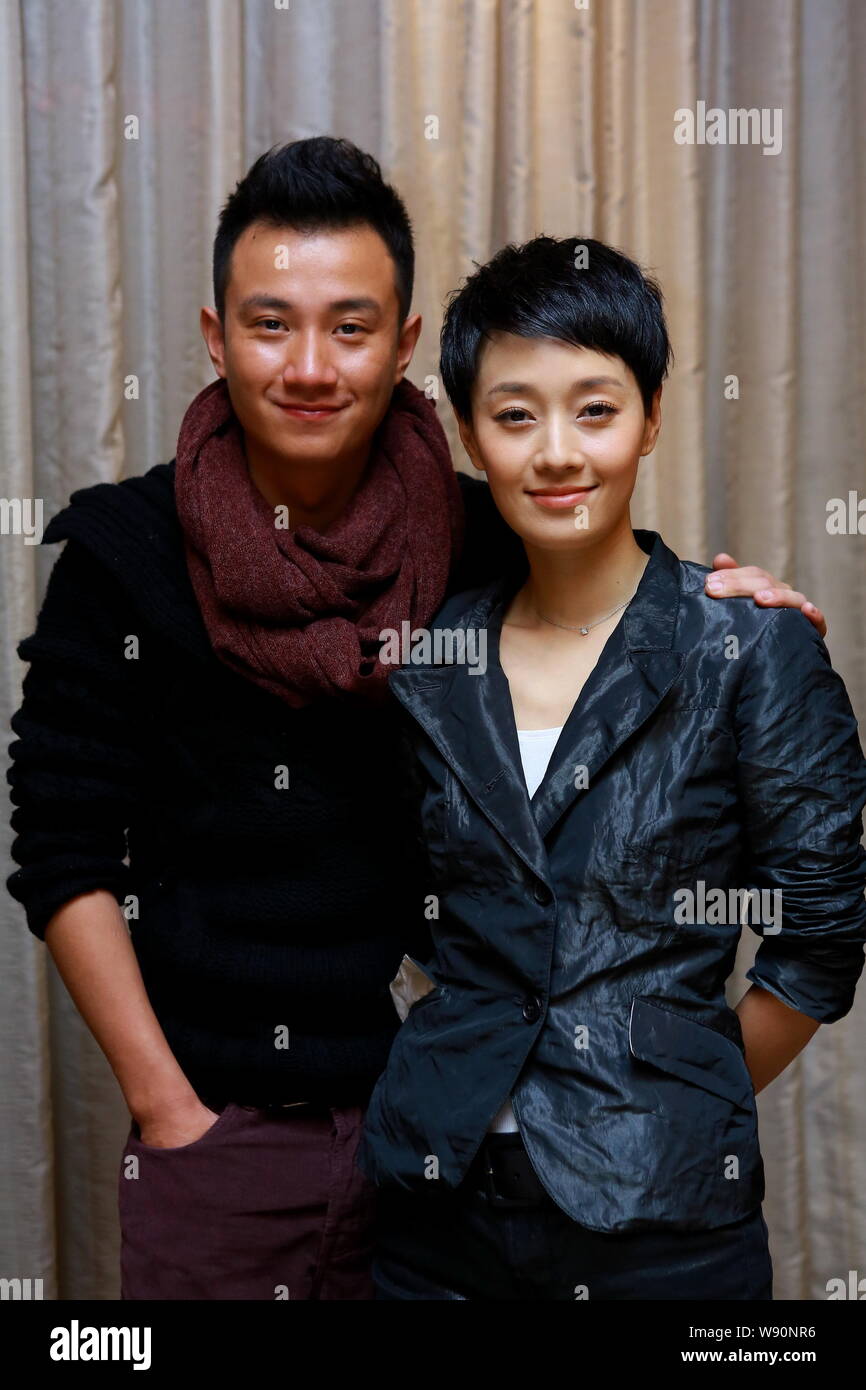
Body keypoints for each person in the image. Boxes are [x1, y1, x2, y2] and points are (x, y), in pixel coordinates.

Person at [6, 140, 826, 1302]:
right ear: (212, 334)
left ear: (401, 350)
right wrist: (168, 1108)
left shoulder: (468, 538)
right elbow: (60, 847)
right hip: (222, 1124)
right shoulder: (123, 557)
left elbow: (607, 590)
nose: (307, 365)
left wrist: (747, 608)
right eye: (268, 323)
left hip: (433, 1128)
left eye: (349, 328)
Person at [356, 234, 866, 1301]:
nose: (555, 451)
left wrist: (673, 1097)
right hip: (436, 1211)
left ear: (650, 417)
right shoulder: (428, 659)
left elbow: (818, 932)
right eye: (513, 414)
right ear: (466, 432)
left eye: (594, 408)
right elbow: (398, 905)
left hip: (665, 1226)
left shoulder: (743, 644)